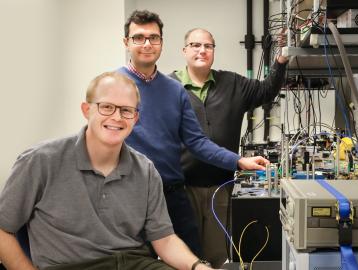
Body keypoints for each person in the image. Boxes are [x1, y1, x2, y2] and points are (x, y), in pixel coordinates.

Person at [0, 72, 217, 270]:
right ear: (87, 110)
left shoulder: (146, 170)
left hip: (135, 264)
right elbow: (2, 229)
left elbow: (165, 240)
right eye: (106, 107)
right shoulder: (40, 161)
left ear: (136, 118)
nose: (117, 117)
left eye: (126, 110)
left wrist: (198, 267)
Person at [116, 9, 270, 259]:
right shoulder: (114, 85)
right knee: (138, 260)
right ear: (126, 43)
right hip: (131, 194)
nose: (147, 44)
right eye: (139, 37)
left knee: (192, 258)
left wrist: (238, 161)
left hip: (173, 193)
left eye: (153, 38)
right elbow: (98, 138)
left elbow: (197, 142)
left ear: (162, 43)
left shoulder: (174, 89)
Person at [169, 28, 288, 267]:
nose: (202, 50)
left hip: (220, 188)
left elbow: (267, 90)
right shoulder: (168, 87)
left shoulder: (233, 83)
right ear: (184, 51)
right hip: (181, 190)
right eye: (195, 45)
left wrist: (281, 59)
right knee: (182, 255)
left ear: (213, 51)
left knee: (216, 255)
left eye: (208, 46)